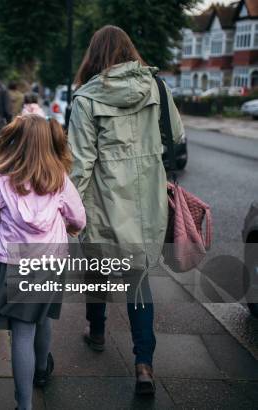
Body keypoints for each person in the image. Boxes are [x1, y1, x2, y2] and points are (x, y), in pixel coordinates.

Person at [67, 25, 184, 395]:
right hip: (147, 201)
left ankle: (97, 332)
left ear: (94, 56)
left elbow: (81, 164)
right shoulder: (158, 88)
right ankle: (144, 365)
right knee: (138, 281)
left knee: (100, 269)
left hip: (104, 202)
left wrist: (69, 212)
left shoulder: (86, 99)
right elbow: (176, 136)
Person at [0, 115, 86, 410]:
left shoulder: (2, 179)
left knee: (22, 332)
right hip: (51, 258)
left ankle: (24, 405)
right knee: (44, 316)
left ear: (16, 142)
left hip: (16, 260)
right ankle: (41, 370)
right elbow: (79, 219)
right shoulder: (60, 178)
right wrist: (68, 226)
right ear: (49, 142)